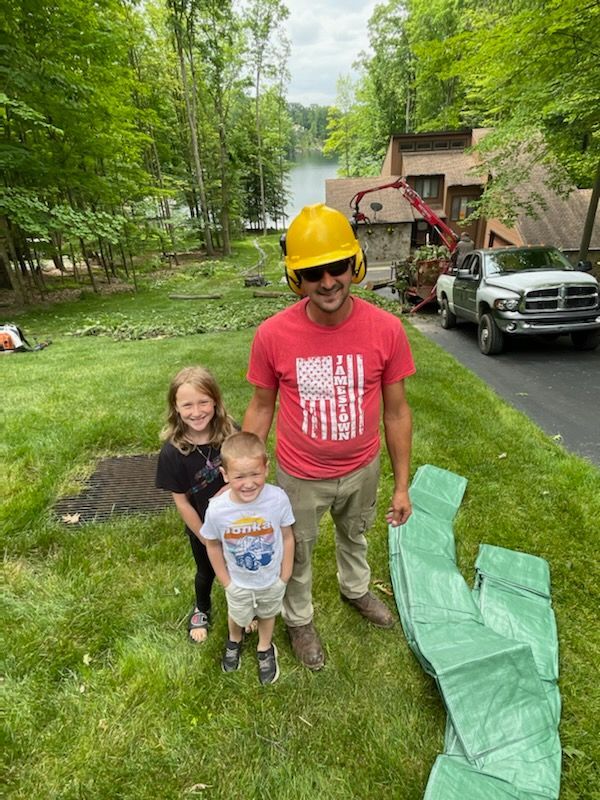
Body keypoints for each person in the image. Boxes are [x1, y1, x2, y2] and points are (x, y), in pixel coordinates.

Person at [243, 203, 415, 671]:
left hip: (363, 467)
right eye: (312, 271)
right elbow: (261, 406)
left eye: (335, 267)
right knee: (296, 550)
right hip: (299, 476)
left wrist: (400, 486)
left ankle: (355, 590)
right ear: (295, 277)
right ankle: (299, 619)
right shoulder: (273, 335)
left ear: (354, 265)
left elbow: (397, 413)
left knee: (355, 536)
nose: (327, 282)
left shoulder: (387, 330)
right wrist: (241, 475)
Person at [201, 432, 295, 685]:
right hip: (237, 580)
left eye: (255, 474)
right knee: (238, 612)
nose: (248, 483)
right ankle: (235, 639)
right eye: (239, 476)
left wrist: (284, 576)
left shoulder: (277, 499)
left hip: (271, 578)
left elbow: (287, 537)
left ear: (266, 467)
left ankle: (265, 647)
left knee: (267, 612)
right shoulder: (218, 509)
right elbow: (212, 545)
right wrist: (226, 582)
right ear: (225, 475)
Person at [156, 366, 237, 644]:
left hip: (239, 520)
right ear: (176, 408)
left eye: (203, 402)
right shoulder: (172, 452)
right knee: (207, 570)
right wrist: (205, 536)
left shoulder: (231, 434)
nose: (197, 411)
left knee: (239, 565)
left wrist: (231, 489)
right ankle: (201, 607)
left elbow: (249, 467)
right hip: (202, 525)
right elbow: (181, 502)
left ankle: (245, 609)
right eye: (187, 404)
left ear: (215, 400)